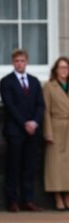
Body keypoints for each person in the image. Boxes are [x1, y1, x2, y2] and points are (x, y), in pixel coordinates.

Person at [0, 49, 44, 212]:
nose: (20, 63)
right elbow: (9, 106)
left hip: (33, 131)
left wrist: (34, 122)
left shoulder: (34, 81)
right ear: (13, 62)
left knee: (29, 166)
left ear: (27, 62)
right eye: (17, 61)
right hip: (15, 131)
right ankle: (12, 201)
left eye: (22, 60)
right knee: (13, 166)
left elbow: (40, 104)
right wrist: (25, 123)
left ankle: (28, 200)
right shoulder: (6, 82)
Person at [43, 57, 69, 211]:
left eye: (66, 67)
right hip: (56, 126)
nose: (64, 70)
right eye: (61, 67)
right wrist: (48, 132)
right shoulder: (49, 86)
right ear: (56, 70)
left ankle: (67, 194)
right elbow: (46, 111)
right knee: (56, 164)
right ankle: (58, 196)